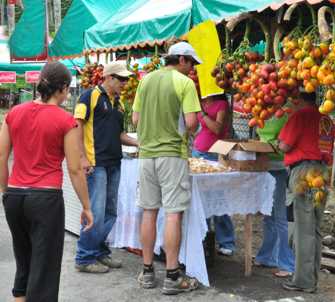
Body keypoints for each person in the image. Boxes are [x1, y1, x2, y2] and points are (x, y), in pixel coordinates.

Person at [0, 62, 94, 302]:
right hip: (45, 199)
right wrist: (86, 206)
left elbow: (1, 157)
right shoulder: (65, 120)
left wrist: (5, 191)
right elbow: (75, 169)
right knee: (44, 271)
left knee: (25, 266)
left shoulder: (14, 113)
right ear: (62, 88)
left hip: (15, 197)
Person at [132, 41, 202, 294]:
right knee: (173, 213)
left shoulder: (146, 80)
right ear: (181, 59)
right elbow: (192, 122)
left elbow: (136, 119)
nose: (192, 69)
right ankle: (172, 276)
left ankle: (147, 271)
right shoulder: (184, 84)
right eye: (191, 63)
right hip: (172, 154)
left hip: (146, 155)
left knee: (149, 211)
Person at [74, 61, 138, 273]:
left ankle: (99, 251)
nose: (124, 83)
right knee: (96, 211)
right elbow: (77, 125)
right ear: (109, 77)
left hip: (114, 163)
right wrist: (82, 157)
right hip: (96, 165)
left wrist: (139, 142)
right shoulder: (89, 96)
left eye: (125, 79)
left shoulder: (118, 104)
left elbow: (119, 135)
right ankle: (84, 257)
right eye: (121, 79)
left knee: (110, 212)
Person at [278, 91, 335, 293]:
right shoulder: (326, 119)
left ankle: (303, 281)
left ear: (298, 100)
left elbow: (284, 146)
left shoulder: (300, 115)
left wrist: (277, 142)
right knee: (316, 229)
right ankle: (312, 279)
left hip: (303, 173)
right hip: (322, 173)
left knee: (303, 228)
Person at [192, 94, 236, 256]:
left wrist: (203, 114)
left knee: (218, 196)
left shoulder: (222, 104)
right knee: (200, 198)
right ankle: (203, 237)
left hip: (214, 154)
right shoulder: (202, 102)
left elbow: (217, 128)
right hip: (198, 152)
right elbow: (194, 125)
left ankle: (227, 241)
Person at [254, 113, 295, 277]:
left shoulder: (286, 115)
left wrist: (273, 146)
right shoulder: (260, 111)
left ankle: (287, 264)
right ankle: (266, 257)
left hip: (279, 168)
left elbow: (286, 144)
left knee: (280, 217)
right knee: (268, 215)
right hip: (264, 167)